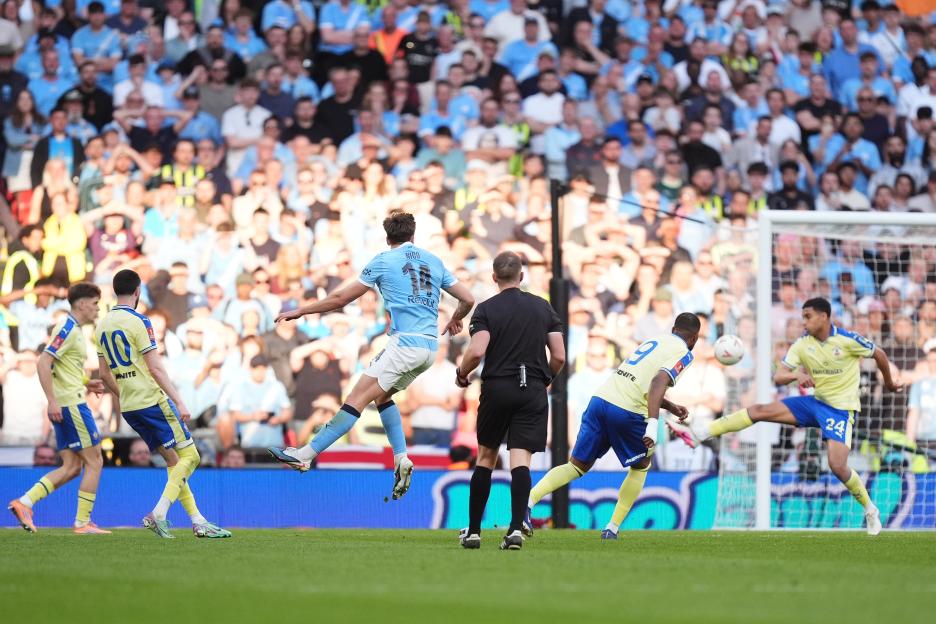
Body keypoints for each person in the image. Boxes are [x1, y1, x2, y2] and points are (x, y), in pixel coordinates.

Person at [269, 211, 475, 500]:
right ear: (413, 235)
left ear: (387, 236)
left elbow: (341, 298)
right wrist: (455, 318)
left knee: (355, 399)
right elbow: (468, 298)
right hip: (429, 348)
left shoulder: (383, 260)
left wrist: (301, 310)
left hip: (404, 344)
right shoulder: (434, 260)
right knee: (383, 396)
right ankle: (401, 457)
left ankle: (305, 454)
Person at [689, 298, 902, 536]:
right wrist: (796, 376)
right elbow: (779, 376)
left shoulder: (848, 340)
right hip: (814, 403)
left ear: (824, 316)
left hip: (839, 411)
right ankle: (704, 431)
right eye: (803, 316)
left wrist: (890, 383)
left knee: (837, 466)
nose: (804, 322)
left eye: (808, 316)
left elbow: (880, 354)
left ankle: (870, 509)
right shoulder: (802, 345)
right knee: (760, 411)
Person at [527, 313, 700, 540]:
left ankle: (527, 504)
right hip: (626, 411)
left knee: (576, 466)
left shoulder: (655, 340)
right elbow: (658, 382)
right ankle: (612, 527)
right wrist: (652, 424)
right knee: (641, 465)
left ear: (673, 329)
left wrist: (670, 406)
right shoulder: (684, 354)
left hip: (600, 401)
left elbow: (640, 381)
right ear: (694, 339)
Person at [95, 269, 231, 539]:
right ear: (137, 292)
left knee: (173, 462)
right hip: (153, 400)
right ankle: (158, 512)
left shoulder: (102, 325)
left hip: (131, 407)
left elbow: (103, 374)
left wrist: (124, 396)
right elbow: (156, 367)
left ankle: (198, 521)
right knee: (191, 457)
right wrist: (179, 401)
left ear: (114, 291)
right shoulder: (140, 321)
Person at [455, 251, 566, 550]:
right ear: (522, 276)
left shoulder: (486, 310)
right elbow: (559, 356)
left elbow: (477, 351)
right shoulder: (543, 308)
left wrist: (462, 373)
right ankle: (515, 529)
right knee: (521, 461)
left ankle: (474, 531)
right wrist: (545, 380)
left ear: (494, 278)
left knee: (486, 457)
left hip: (497, 387)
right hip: (531, 389)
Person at [7, 283, 111, 535]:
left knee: (73, 466)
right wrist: (52, 400)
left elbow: (63, 368)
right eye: (95, 304)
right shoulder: (66, 327)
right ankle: (82, 523)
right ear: (83, 304)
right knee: (95, 460)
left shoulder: (73, 330)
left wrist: (87, 382)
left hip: (68, 400)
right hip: (71, 405)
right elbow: (44, 361)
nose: (98, 309)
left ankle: (25, 503)